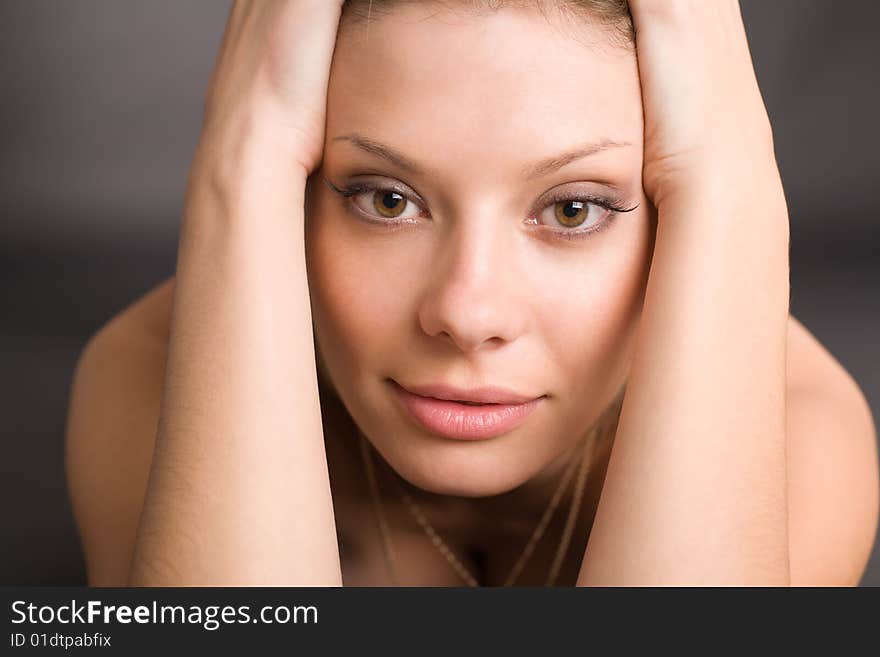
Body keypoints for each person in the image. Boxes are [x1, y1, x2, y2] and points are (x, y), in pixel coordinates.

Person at [64, 0, 878, 587]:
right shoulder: (152, 374)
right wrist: (243, 151)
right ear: (300, 185)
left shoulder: (799, 432)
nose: (467, 313)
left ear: (677, 212)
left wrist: (731, 175)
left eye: (572, 208)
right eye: (387, 199)